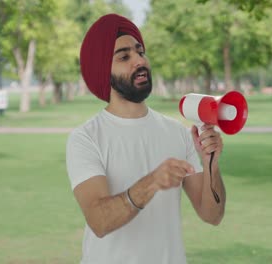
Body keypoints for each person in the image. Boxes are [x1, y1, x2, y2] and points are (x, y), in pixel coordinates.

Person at [66, 13, 225, 264]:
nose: (139, 61)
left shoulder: (178, 133)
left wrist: (211, 165)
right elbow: (99, 221)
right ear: (102, 70)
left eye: (140, 52)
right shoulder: (86, 138)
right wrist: (152, 182)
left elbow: (212, 215)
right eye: (124, 56)